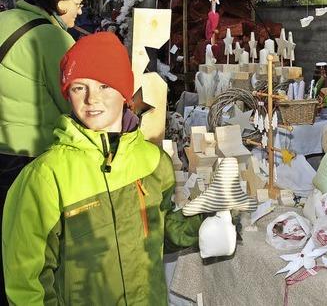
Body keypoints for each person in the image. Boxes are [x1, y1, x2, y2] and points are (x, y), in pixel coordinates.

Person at [2, 32, 202, 304]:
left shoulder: (154, 161)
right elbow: (26, 280)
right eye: (78, 87)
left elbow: (163, 230)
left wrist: (208, 217)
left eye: (104, 86)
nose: (91, 99)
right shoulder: (46, 176)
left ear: (123, 91)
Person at [0, 0, 85, 298]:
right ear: (60, 1)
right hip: (27, 155)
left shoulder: (5, 19)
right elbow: (72, 100)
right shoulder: (54, 37)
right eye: (77, 4)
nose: (79, 11)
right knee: (27, 241)